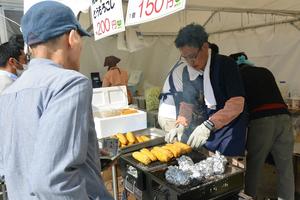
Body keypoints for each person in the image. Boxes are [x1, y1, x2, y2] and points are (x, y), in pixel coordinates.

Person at [0, 1, 113, 199]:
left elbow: (8, 163)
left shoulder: (10, 92)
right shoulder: (70, 83)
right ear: (72, 38)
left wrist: (88, 156)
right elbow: (53, 182)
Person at [165, 23, 247, 157]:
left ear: (204, 46)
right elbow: (187, 102)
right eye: (186, 58)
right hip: (205, 131)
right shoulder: (187, 72)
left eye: (193, 56)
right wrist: (181, 123)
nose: (191, 62)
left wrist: (209, 124)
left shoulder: (225, 64)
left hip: (228, 131)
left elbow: (236, 103)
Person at [230, 52, 294, 200]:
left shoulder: (238, 76)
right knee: (285, 167)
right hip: (284, 118)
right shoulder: (265, 71)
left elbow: (240, 106)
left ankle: (249, 197)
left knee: (254, 165)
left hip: (262, 121)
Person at [158, 43, 219, 132]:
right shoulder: (189, 68)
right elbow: (195, 95)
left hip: (165, 112)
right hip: (173, 115)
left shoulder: (179, 63)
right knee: (179, 145)